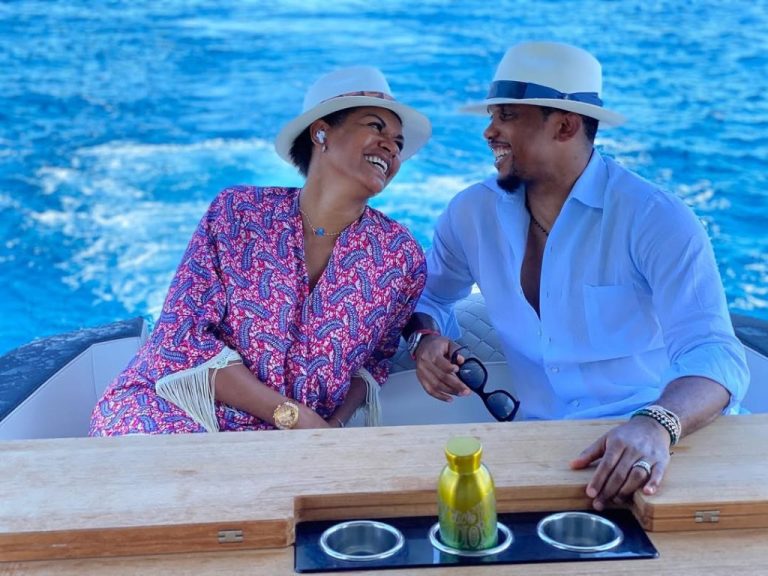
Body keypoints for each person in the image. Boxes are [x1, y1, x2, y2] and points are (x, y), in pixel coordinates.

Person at [404, 41, 749, 510]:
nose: (489, 131)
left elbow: (715, 351)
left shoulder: (655, 218)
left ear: (565, 125)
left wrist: (657, 423)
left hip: (660, 447)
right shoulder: (471, 213)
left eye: (507, 115)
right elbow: (428, 297)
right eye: (491, 115)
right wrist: (424, 339)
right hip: (541, 452)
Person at [89, 66, 431, 435]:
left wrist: (328, 431)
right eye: (375, 127)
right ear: (321, 132)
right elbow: (183, 335)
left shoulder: (400, 256)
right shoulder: (238, 213)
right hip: (180, 407)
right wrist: (291, 416)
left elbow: (372, 363)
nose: (390, 147)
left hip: (299, 435)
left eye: (398, 143)